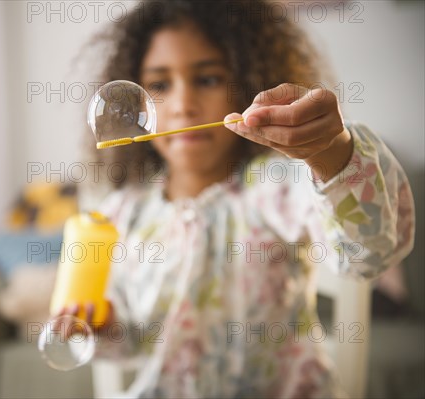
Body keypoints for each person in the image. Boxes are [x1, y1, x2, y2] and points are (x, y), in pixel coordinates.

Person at [56, 1, 415, 397]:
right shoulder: (123, 214)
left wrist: (330, 154)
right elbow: (131, 340)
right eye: (160, 84)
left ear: (244, 84)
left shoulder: (275, 186)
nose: (183, 104)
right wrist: (100, 325)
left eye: (207, 79)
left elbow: (369, 253)